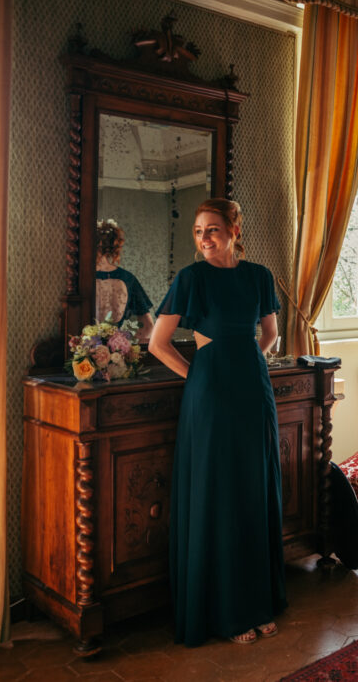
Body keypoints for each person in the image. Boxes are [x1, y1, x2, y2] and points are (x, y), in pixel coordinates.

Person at [149, 198, 284, 646]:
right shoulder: (191, 278)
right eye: (198, 231)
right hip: (210, 396)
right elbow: (158, 343)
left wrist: (247, 363)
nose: (205, 238)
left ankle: (258, 602)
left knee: (253, 490)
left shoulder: (259, 276)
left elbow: (270, 334)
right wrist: (202, 374)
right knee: (221, 494)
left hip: (253, 390)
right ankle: (225, 612)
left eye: (212, 229)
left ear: (234, 229)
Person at [95, 218, 154, 341]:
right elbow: (148, 326)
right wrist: (124, 346)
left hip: (84, 351)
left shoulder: (80, 279)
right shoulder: (127, 278)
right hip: (114, 353)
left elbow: (148, 325)